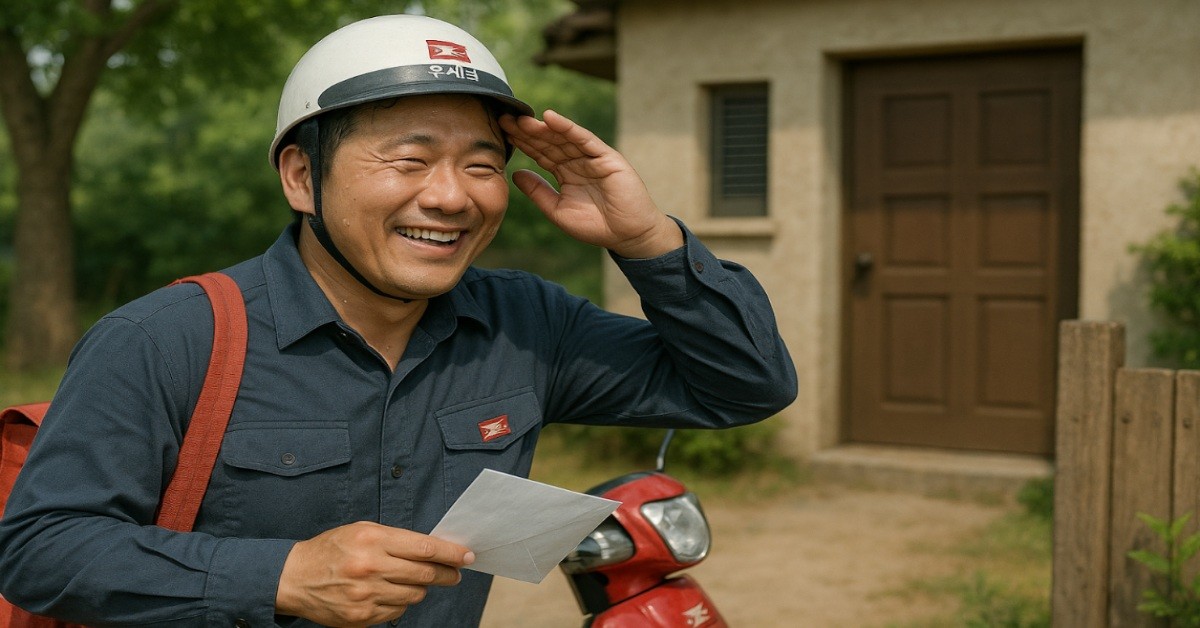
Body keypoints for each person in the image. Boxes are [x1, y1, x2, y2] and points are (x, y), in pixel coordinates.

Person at [0, 14, 797, 628]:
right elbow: (39, 549)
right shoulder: (167, 339)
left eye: (481, 164)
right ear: (302, 175)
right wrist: (281, 576)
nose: (451, 196)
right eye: (409, 160)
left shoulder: (525, 322)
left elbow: (743, 385)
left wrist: (646, 237)